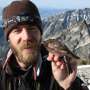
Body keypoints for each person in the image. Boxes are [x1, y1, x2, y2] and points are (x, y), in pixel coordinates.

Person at [0, 0, 89, 90]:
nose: (26, 37)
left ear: (40, 34)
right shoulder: (2, 75)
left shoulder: (60, 70)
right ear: (8, 38)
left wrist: (68, 86)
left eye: (31, 28)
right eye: (17, 30)